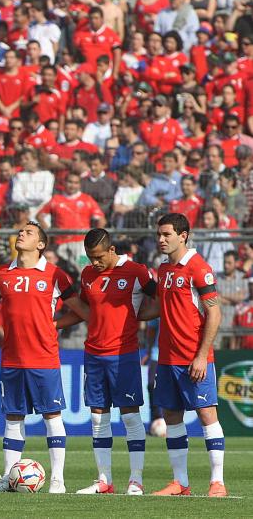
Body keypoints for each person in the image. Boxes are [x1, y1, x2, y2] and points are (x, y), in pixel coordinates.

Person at [0, 221, 87, 494]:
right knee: (12, 419)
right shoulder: (2, 275)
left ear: (41, 244)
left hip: (43, 358)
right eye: (21, 231)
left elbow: (82, 310)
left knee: (52, 416)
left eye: (29, 232)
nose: (21, 234)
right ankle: (8, 479)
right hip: (12, 358)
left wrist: (55, 325)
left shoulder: (55, 275)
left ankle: (57, 479)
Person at [59, 229, 155, 495]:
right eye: (91, 258)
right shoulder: (88, 274)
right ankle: (104, 480)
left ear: (112, 250)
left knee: (131, 417)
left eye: (99, 257)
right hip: (93, 354)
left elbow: (163, 301)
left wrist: (138, 316)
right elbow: (86, 311)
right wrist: (52, 324)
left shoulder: (136, 271)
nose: (95, 263)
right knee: (98, 418)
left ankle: (136, 479)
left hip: (123, 354)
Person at [138, 213, 227, 497]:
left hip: (193, 358)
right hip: (166, 359)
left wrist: (202, 356)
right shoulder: (163, 270)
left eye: (166, 235)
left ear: (183, 235)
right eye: (159, 235)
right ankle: (180, 482)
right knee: (172, 417)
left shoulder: (198, 268)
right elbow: (163, 308)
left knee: (206, 415)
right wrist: (129, 315)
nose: (161, 240)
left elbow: (214, 313)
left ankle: (217, 482)